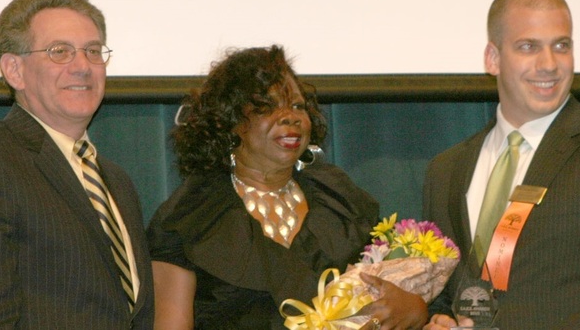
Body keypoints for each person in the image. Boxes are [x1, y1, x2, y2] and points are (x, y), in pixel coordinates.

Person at [146, 45, 428, 330]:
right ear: (230, 122)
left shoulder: (342, 201)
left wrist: (415, 308)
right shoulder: (191, 217)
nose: (290, 117)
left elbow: (392, 291)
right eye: (268, 107)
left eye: (297, 106)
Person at [422, 0, 580, 330]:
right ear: (493, 58)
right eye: (529, 46)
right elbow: (448, 293)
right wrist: (440, 320)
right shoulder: (445, 170)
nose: (549, 64)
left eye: (561, 46)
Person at [0, 0, 154, 328]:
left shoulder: (117, 181)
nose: (83, 66)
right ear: (14, 70)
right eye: (60, 52)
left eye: (93, 51)